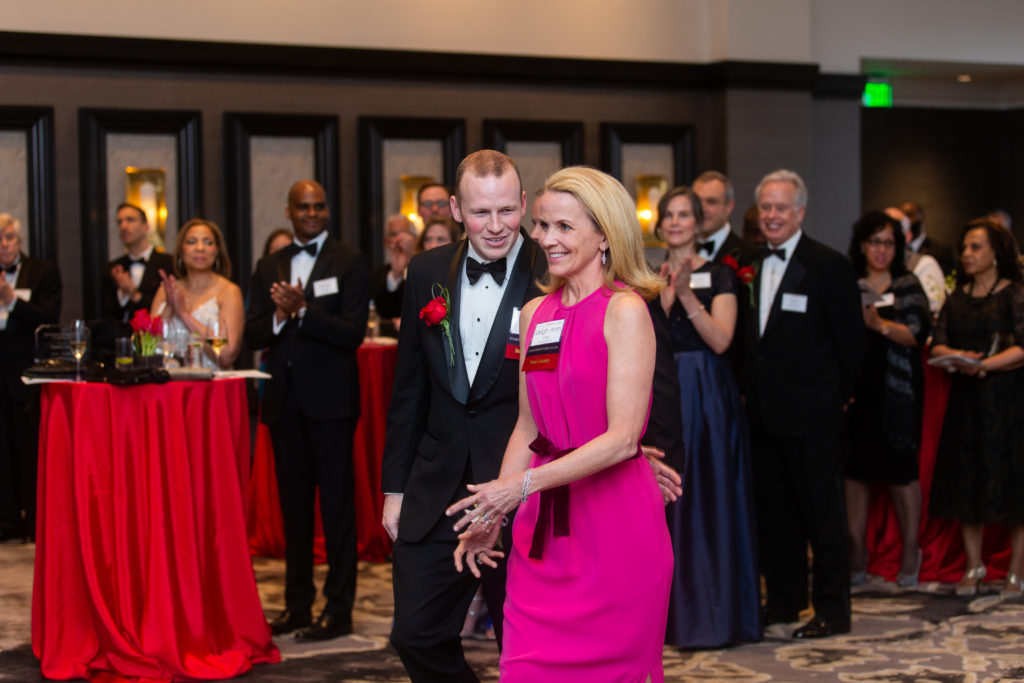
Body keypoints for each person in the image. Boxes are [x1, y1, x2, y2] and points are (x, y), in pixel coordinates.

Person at [447, 166, 672, 681]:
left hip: (615, 528)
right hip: (541, 533)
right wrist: (492, 517)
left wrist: (519, 488)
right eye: (543, 225)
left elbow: (621, 440)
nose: (545, 239)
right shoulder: (533, 315)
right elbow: (527, 428)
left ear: (604, 235)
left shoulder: (626, 312)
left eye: (564, 227)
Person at [246, 179, 369, 640]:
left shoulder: (350, 261)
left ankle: (339, 610)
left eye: (319, 206)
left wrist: (302, 312)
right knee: (293, 512)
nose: (313, 213)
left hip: (333, 404)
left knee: (338, 511)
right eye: (304, 207)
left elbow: (352, 332)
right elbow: (255, 333)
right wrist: (280, 316)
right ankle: (297, 605)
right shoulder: (269, 264)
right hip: (284, 404)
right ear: (289, 211)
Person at [743, 169, 864, 639]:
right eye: (766, 207)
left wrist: (834, 403)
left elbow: (852, 345)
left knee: (822, 518)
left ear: (800, 213)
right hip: (763, 417)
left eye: (781, 207)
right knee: (776, 519)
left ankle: (833, 610)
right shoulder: (750, 262)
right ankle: (785, 602)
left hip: (814, 419)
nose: (772, 216)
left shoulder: (828, 264)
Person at [650, 186, 760, 648]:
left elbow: (721, 341)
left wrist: (686, 298)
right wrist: (663, 295)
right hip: (660, 390)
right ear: (658, 226)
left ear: (699, 223)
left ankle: (712, 617)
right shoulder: (645, 277)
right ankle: (664, 618)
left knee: (707, 496)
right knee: (663, 502)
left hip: (705, 393)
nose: (676, 223)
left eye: (684, 215)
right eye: (668, 216)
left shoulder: (721, 275)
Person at [928, 218, 1024, 600]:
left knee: (1014, 483)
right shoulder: (958, 297)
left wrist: (986, 365)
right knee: (966, 481)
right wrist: (959, 357)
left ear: (996, 253)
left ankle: (1016, 570)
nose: (967, 254)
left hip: (1008, 401)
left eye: (976, 247)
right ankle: (974, 565)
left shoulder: (1015, 294)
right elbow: (937, 344)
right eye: (965, 247)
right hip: (966, 403)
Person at [844, 211, 930, 589]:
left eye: (888, 243)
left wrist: (879, 324)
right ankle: (856, 554)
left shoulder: (908, 284)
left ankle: (911, 550)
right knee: (855, 474)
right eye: (875, 241)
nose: (881, 250)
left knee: (901, 474)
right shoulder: (848, 281)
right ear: (862, 244)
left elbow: (918, 334)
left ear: (897, 248)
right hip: (856, 392)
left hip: (899, 393)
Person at [0, 214, 61, 542]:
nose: (4, 244)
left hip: (28, 373)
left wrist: (12, 300)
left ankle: (35, 522)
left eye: (8, 237)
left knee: (30, 448)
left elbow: (49, 318)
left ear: (19, 240)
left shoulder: (42, 271)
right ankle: (6, 521)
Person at [151, 218, 245, 369]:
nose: (200, 248)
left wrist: (184, 314)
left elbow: (227, 355)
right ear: (182, 250)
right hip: (169, 386)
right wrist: (169, 308)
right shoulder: (166, 290)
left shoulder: (229, 291)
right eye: (192, 241)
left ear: (217, 251)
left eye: (208, 242)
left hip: (211, 385)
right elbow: (147, 350)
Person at [102, 203, 175, 322]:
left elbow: (171, 307)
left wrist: (135, 295)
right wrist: (123, 295)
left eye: (130, 220)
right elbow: (107, 314)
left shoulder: (168, 263)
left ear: (146, 227)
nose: (124, 226)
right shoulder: (113, 268)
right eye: (119, 222)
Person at [691, 171, 759, 267]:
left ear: (729, 206)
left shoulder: (748, 254)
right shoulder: (680, 249)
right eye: (697, 201)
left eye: (711, 202)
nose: (702, 209)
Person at [886, 207, 946, 316]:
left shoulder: (924, 264)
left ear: (908, 236)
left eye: (895, 231)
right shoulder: (864, 270)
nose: (883, 246)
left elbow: (935, 309)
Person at [370, 214, 417, 336]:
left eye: (404, 233)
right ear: (386, 241)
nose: (399, 239)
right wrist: (396, 274)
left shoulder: (427, 268)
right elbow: (380, 316)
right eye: (394, 234)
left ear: (415, 239)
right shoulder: (378, 275)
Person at [900, 201, 957, 275]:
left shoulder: (941, 252)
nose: (906, 220)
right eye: (902, 216)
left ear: (922, 220)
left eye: (909, 215)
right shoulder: (895, 251)